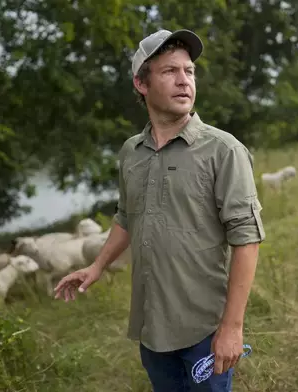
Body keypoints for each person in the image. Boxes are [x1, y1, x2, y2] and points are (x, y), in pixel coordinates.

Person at [53, 28, 266, 391]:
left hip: (204, 328)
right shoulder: (131, 152)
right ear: (141, 84)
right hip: (151, 325)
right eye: (170, 71)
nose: (184, 81)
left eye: (189, 71)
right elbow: (126, 216)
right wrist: (98, 265)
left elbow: (247, 238)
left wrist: (231, 328)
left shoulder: (224, 150)